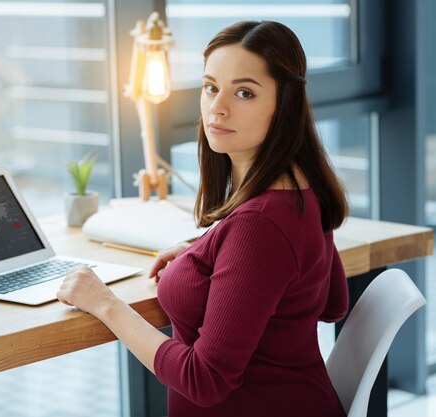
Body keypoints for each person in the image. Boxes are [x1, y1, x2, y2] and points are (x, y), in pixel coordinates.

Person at [57, 20, 349, 417]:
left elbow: (204, 379)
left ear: (284, 104)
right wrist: (212, 251)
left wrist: (104, 302)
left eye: (244, 92)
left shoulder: (260, 225)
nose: (218, 107)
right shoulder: (303, 190)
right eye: (211, 87)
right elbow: (332, 303)